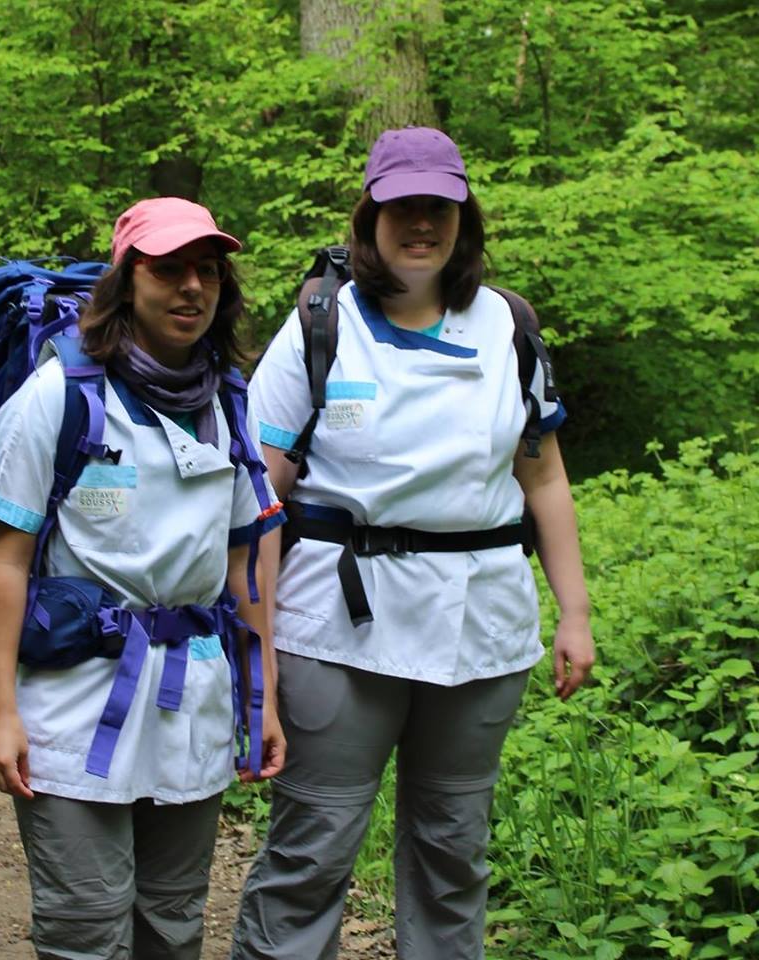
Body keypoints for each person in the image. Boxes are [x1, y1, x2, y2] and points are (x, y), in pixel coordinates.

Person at [231, 127, 595, 960]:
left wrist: (574, 614)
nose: (421, 223)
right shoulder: (319, 324)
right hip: (335, 625)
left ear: (466, 218)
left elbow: (543, 479)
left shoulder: (508, 326)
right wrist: (255, 650)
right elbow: (260, 499)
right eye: (403, 207)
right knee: (313, 847)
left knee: (452, 847)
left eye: (440, 206)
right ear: (371, 215)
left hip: (482, 624)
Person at [0, 196, 286, 960]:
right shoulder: (58, 398)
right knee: (86, 925)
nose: (192, 288)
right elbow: (7, 563)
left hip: (197, 698)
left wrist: (264, 697)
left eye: (208, 272)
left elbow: (246, 562)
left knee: (173, 923)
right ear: (126, 279)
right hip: (76, 702)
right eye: (170, 269)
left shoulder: (229, 401)